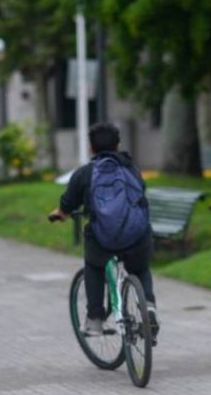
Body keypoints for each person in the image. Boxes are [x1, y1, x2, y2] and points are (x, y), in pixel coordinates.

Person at [49, 122, 159, 341]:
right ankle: (148, 306)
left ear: (91, 149)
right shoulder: (131, 169)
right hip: (136, 237)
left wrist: (61, 213)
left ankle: (95, 320)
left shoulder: (84, 174)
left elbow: (68, 203)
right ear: (118, 145)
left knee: (93, 265)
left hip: (103, 240)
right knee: (140, 268)